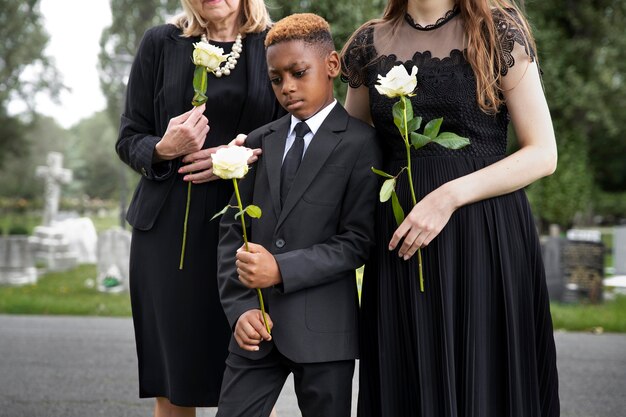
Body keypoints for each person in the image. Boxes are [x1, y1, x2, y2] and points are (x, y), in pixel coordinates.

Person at [341, 0, 560, 416]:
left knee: (483, 383)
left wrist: (447, 196)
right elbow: (354, 152)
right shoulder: (368, 44)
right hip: (401, 246)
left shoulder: (499, 30)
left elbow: (543, 154)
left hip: (485, 239)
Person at [115, 0, 284, 416]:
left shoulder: (275, 42)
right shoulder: (160, 43)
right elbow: (129, 137)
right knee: (176, 383)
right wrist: (162, 148)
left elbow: (296, 128)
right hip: (169, 231)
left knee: (252, 371)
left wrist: (239, 157)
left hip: (248, 224)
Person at [216, 13, 382, 417]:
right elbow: (231, 234)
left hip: (325, 334)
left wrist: (281, 270)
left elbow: (357, 241)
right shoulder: (257, 143)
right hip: (256, 329)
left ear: (331, 66)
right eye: (276, 79)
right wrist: (240, 309)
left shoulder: (362, 144)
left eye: (298, 72)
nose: (287, 87)